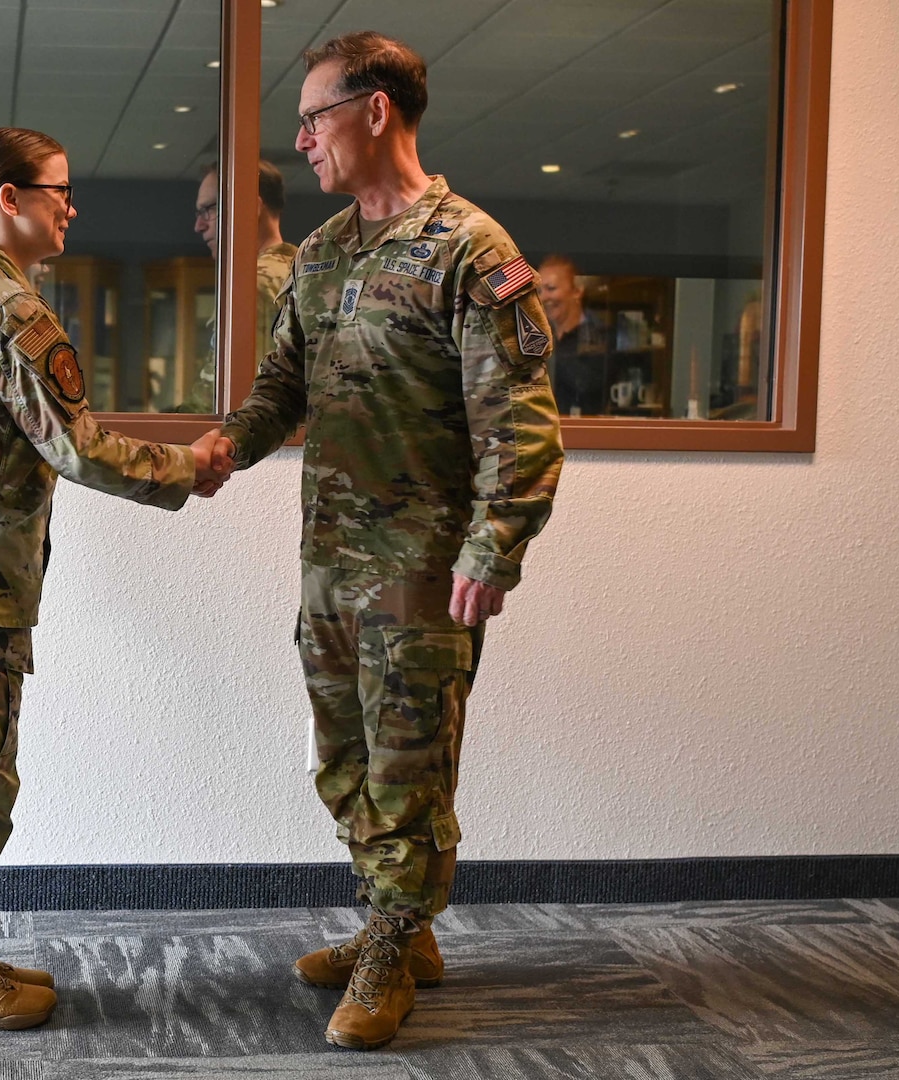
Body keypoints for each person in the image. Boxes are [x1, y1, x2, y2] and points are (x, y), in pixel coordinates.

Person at [200, 32, 564, 1050]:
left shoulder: (471, 251)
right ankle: (400, 928)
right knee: (345, 760)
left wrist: (495, 550)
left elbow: (521, 424)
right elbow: (285, 388)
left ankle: (392, 946)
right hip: (330, 562)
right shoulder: (320, 255)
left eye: (315, 117)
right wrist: (228, 442)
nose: (303, 140)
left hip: (421, 566)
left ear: (375, 111)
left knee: (409, 767)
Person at [0, 127, 228, 1033]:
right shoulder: (8, 307)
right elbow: (75, 445)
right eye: (59, 191)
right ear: (10, 200)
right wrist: (189, 467)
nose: (73, 206)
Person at [171, 160, 298, 413]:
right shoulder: (302, 271)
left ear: (251, 206)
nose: (199, 225)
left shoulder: (253, 286)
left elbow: (227, 404)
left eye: (209, 209)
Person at [537, 255, 608, 415]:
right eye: (539, 291)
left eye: (551, 289)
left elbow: (586, 384)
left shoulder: (596, 337)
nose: (543, 298)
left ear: (576, 291)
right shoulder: (536, 338)